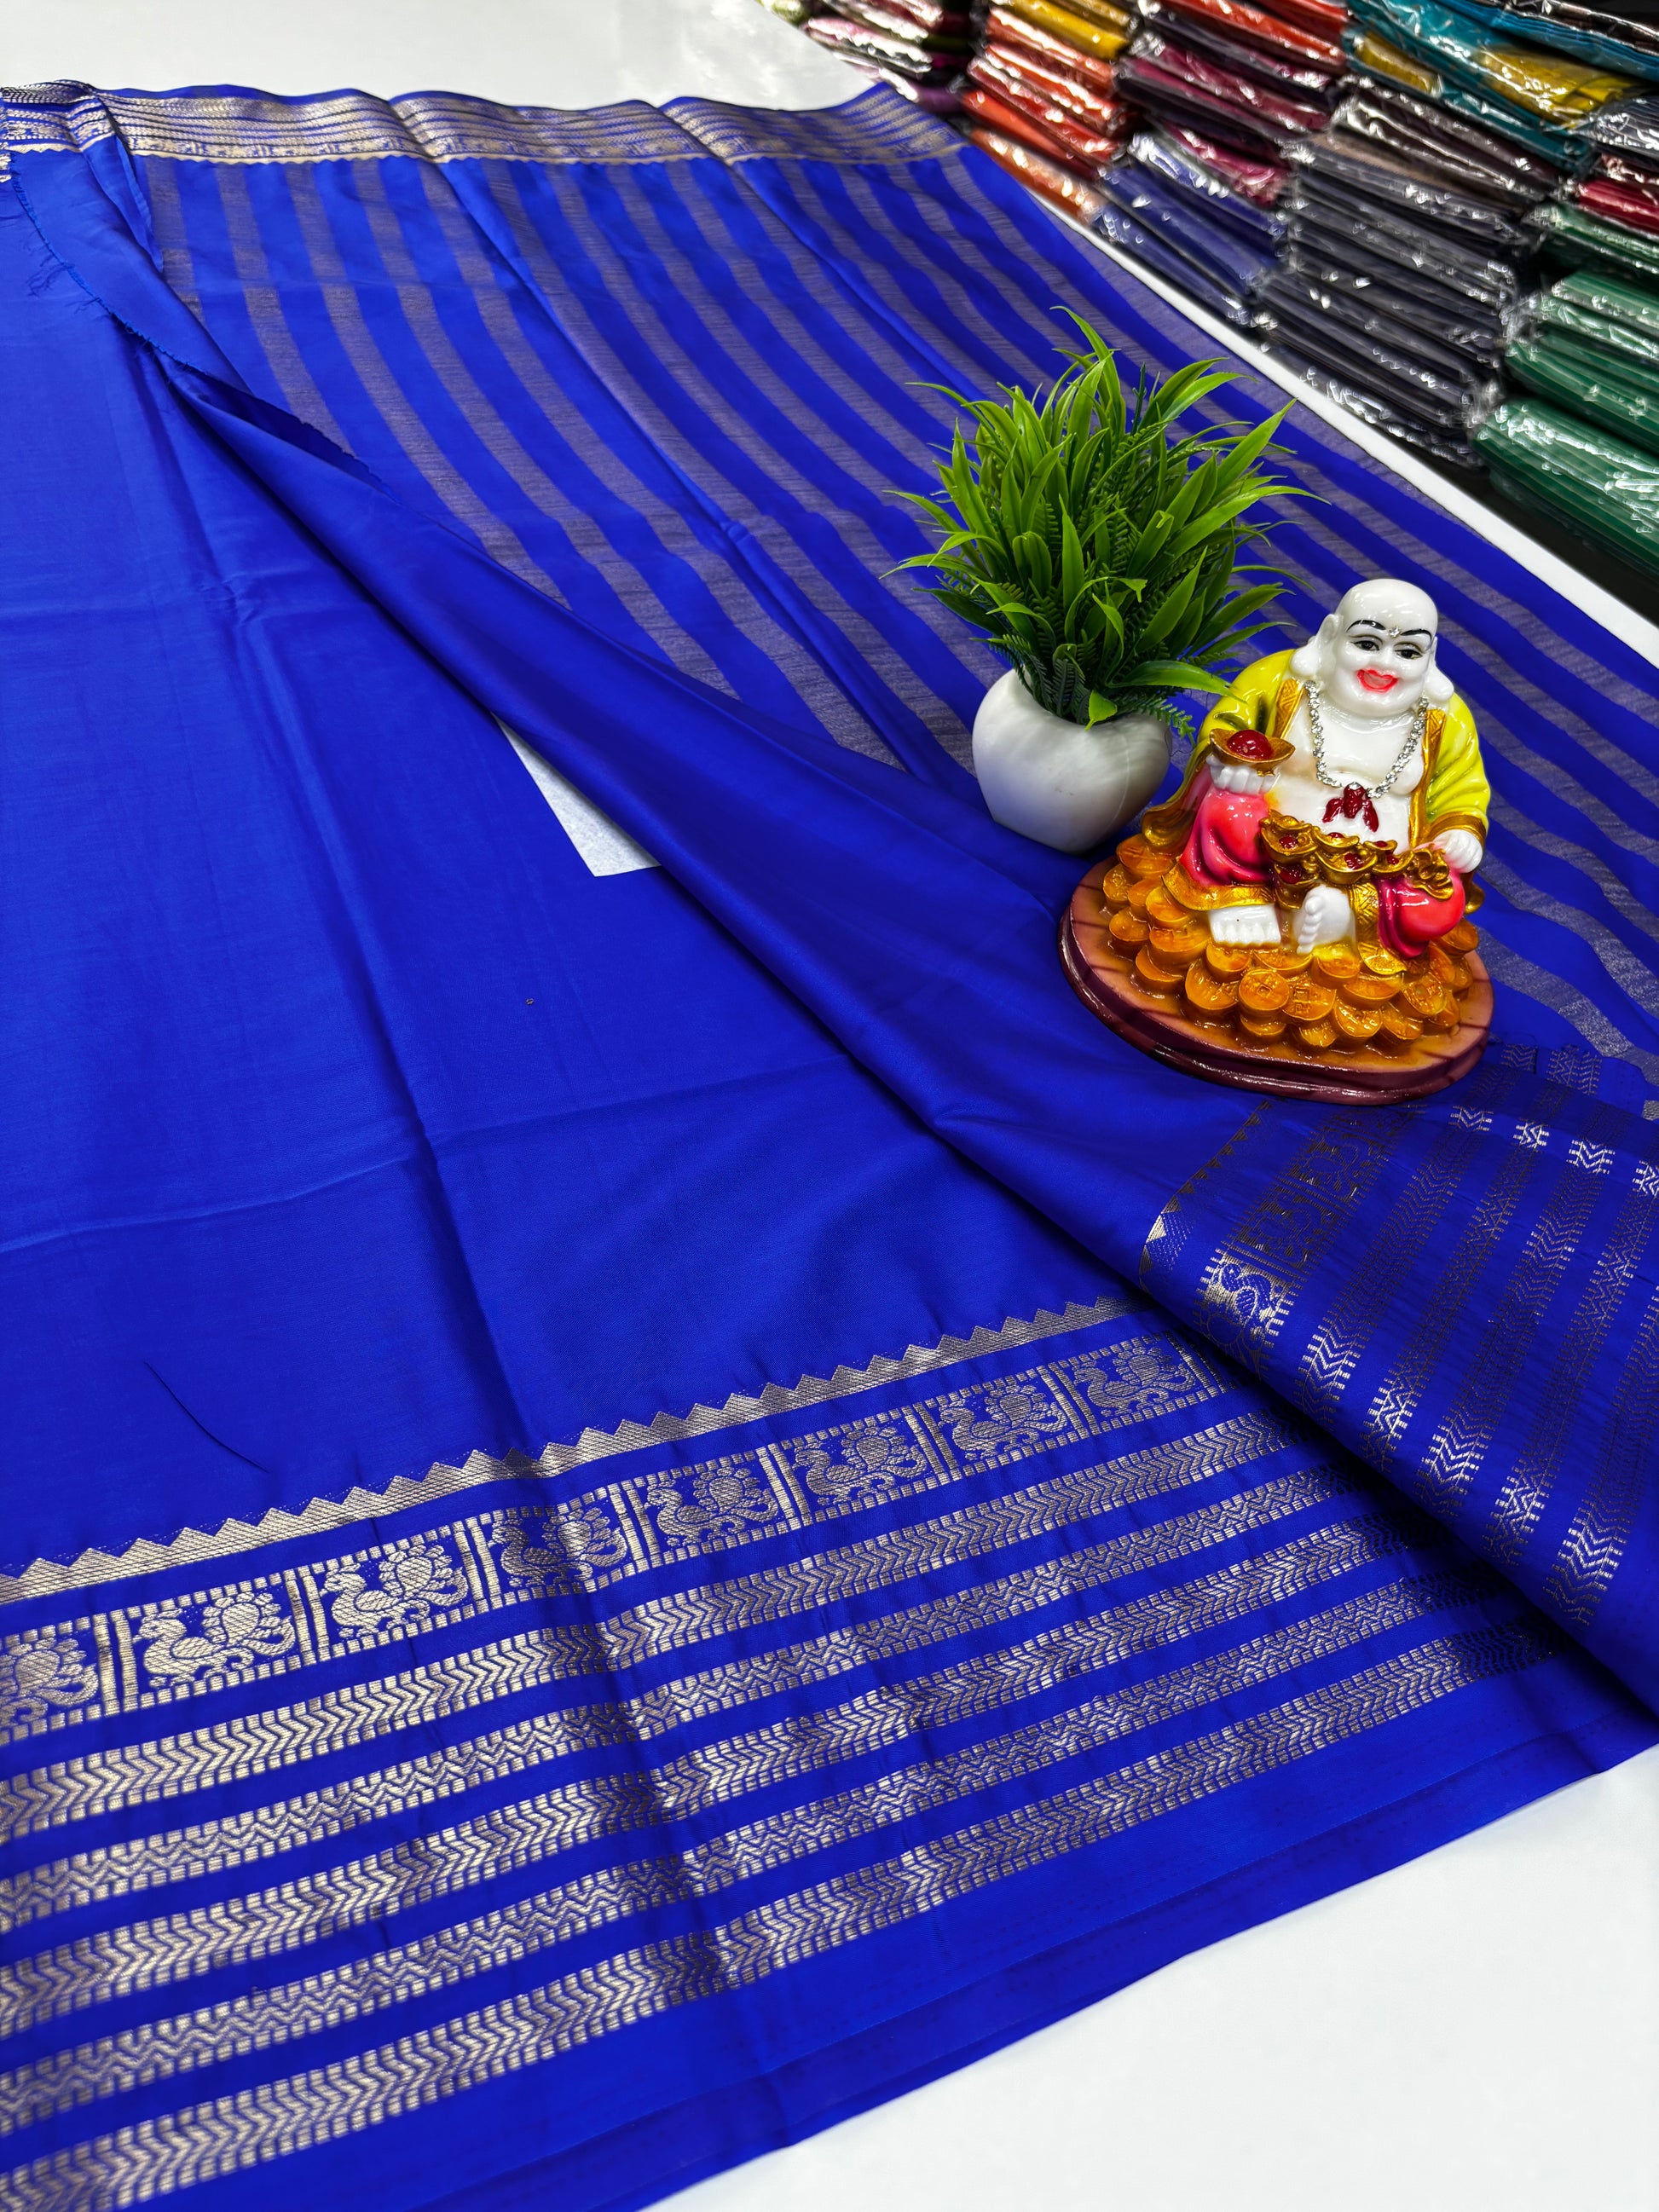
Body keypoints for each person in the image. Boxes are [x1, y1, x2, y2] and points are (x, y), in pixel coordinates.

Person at [1139, 578, 1489, 961]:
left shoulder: (1446, 719)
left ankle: (1346, 918)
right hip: (1270, 845)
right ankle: (1242, 898)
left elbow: (1462, 788)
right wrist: (1235, 764)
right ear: (1331, 634)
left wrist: (1461, 831)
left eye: (1408, 651)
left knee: (1443, 897)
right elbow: (1228, 727)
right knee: (1229, 807)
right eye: (1367, 644)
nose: (1384, 665)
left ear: (1430, 655)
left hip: (1383, 867)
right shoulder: (1280, 680)